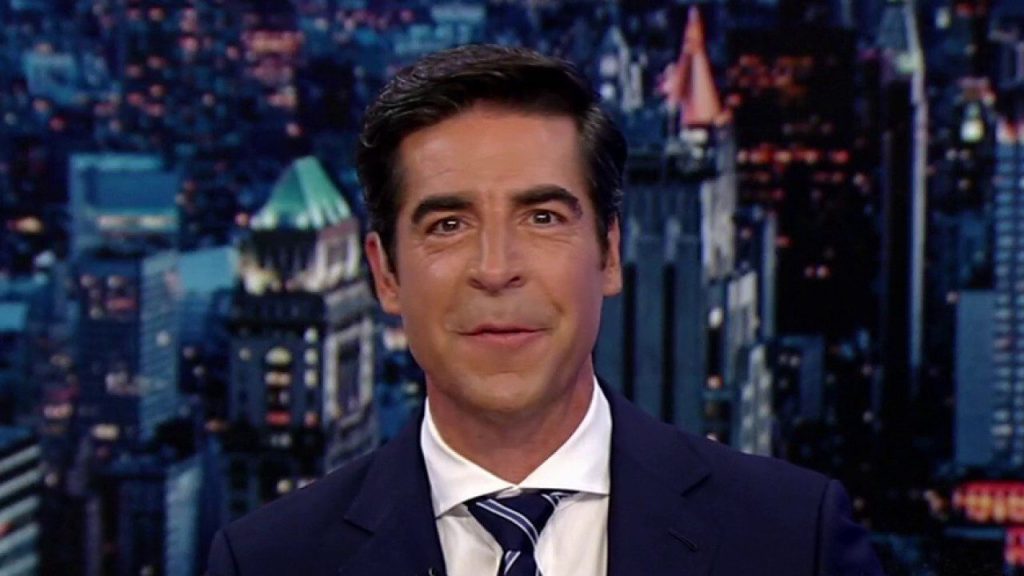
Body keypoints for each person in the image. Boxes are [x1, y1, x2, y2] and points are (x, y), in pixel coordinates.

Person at [206, 44, 885, 576]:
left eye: (542, 217)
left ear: (609, 254)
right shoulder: (266, 561)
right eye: (448, 225)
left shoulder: (794, 538)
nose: (496, 268)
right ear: (386, 275)